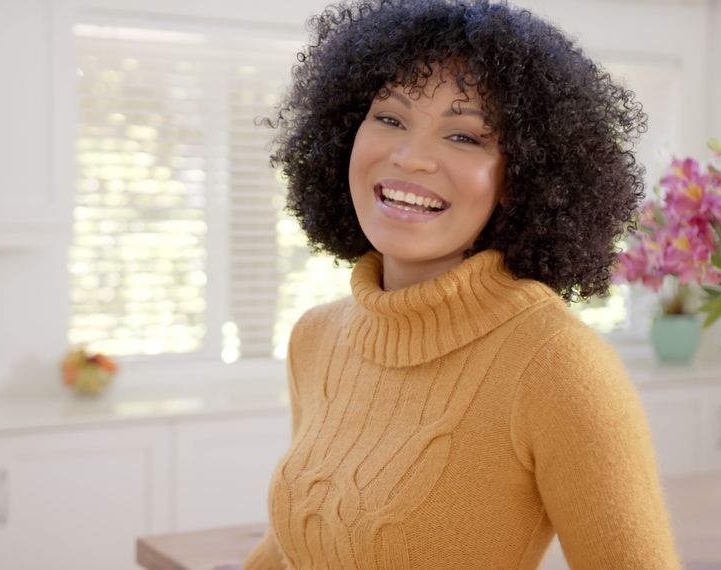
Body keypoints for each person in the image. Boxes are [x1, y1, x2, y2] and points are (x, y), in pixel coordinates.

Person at [243, 0, 680, 568]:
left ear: (522, 177)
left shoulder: (559, 366)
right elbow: (296, 544)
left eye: (465, 137)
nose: (410, 157)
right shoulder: (316, 338)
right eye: (390, 118)